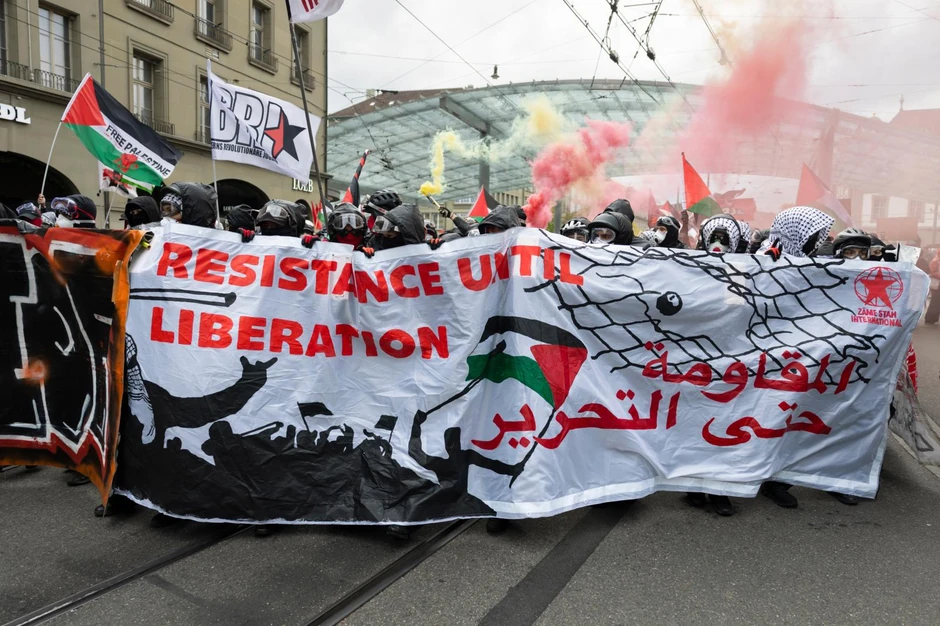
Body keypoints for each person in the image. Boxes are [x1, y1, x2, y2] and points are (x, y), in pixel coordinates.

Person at [303, 202, 374, 257]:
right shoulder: (327, 239)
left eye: (355, 222)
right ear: (333, 227)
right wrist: (316, 244)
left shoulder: (368, 241)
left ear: (362, 226)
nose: (349, 228)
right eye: (341, 223)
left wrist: (371, 250)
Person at [924, 248, 940, 325]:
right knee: (935, 301)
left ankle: (934, 317)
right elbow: (931, 272)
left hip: (938, 284)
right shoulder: (935, 261)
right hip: (936, 284)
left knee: (936, 301)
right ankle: (930, 317)